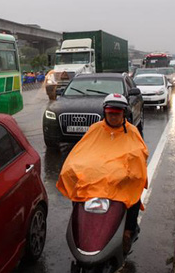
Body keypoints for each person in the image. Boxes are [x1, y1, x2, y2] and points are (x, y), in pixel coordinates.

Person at [56, 93, 149, 254]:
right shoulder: (95, 129)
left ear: (123, 114)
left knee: (134, 193)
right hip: (95, 179)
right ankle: (81, 227)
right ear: (105, 113)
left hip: (120, 181)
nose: (113, 117)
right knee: (77, 192)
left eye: (117, 114)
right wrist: (73, 167)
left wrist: (129, 170)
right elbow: (81, 152)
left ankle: (128, 232)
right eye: (110, 113)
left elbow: (139, 155)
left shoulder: (132, 132)